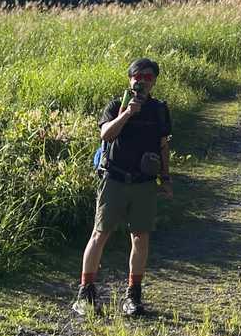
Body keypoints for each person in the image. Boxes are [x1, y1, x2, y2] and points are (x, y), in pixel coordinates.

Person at [73, 57, 173, 317]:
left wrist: (166, 178)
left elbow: (163, 146)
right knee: (99, 234)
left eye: (148, 77)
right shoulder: (115, 105)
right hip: (114, 179)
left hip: (144, 183)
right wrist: (127, 113)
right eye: (137, 76)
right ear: (130, 79)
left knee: (140, 238)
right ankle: (86, 294)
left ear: (154, 82)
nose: (142, 81)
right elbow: (106, 134)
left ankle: (133, 296)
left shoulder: (159, 110)